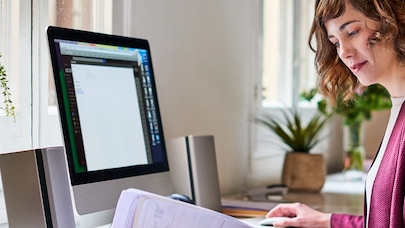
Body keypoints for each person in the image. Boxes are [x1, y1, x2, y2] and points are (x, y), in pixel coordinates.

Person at [265, 0, 405, 227]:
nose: (345, 52)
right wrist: (324, 220)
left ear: (393, 20)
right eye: (335, 43)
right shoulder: (398, 109)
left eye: (353, 32)